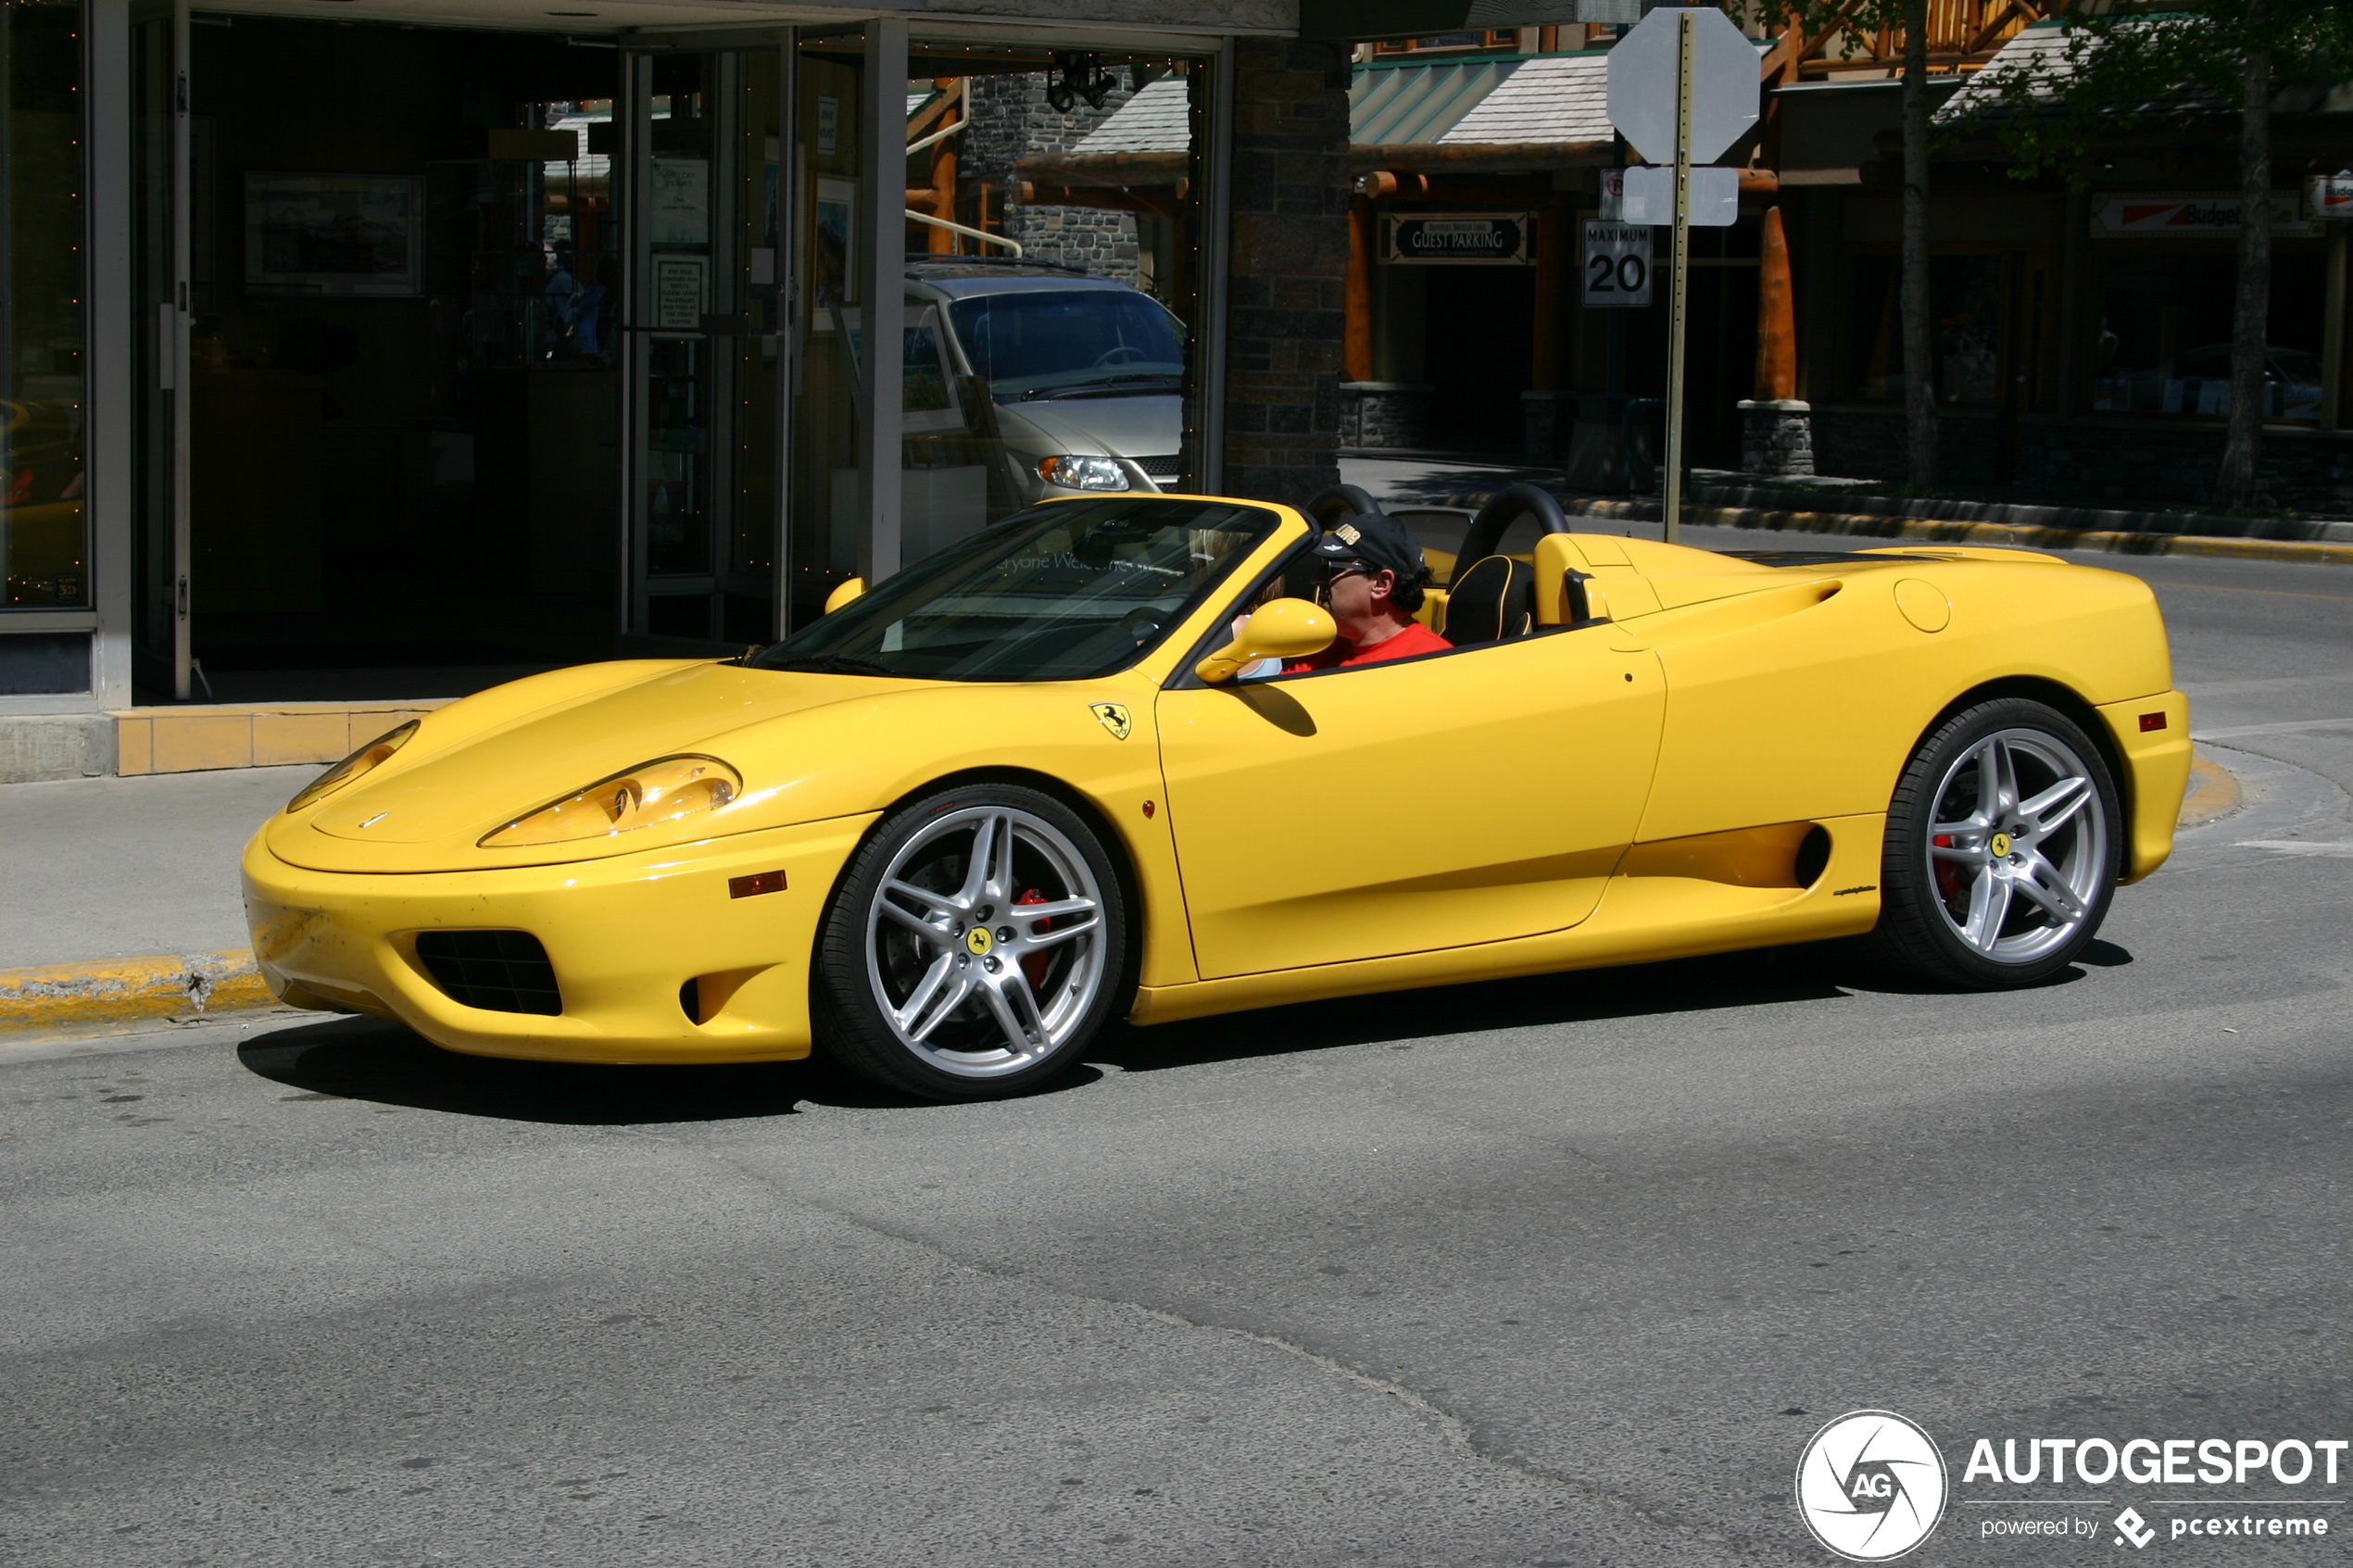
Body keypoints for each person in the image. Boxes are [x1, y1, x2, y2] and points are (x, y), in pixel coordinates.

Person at [1284, 511, 1450, 672]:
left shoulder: (1433, 665)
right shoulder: (1321, 648)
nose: (1316, 579)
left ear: (1381, 583)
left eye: (1331, 569)